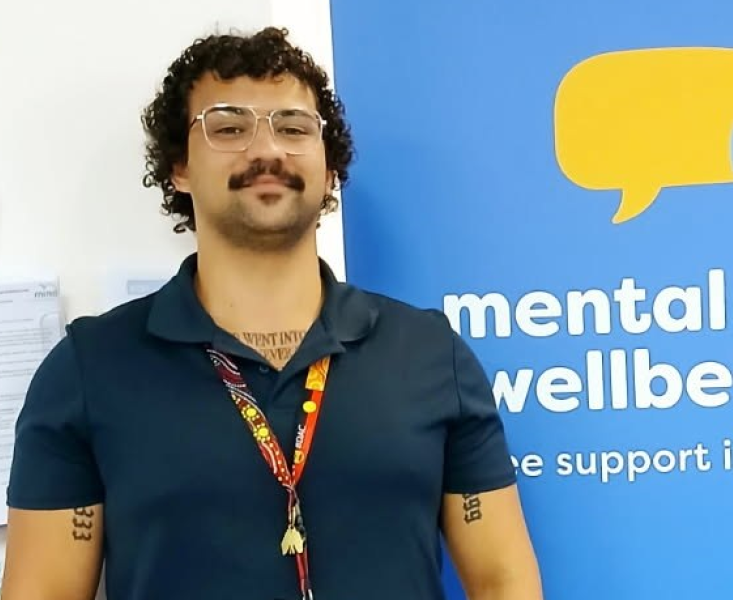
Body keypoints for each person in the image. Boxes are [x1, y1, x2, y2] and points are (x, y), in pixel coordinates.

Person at [2, 26, 544, 600]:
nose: (267, 150)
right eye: (229, 127)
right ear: (178, 168)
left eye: (293, 127)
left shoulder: (432, 355)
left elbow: (503, 580)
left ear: (329, 167)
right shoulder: (88, 371)